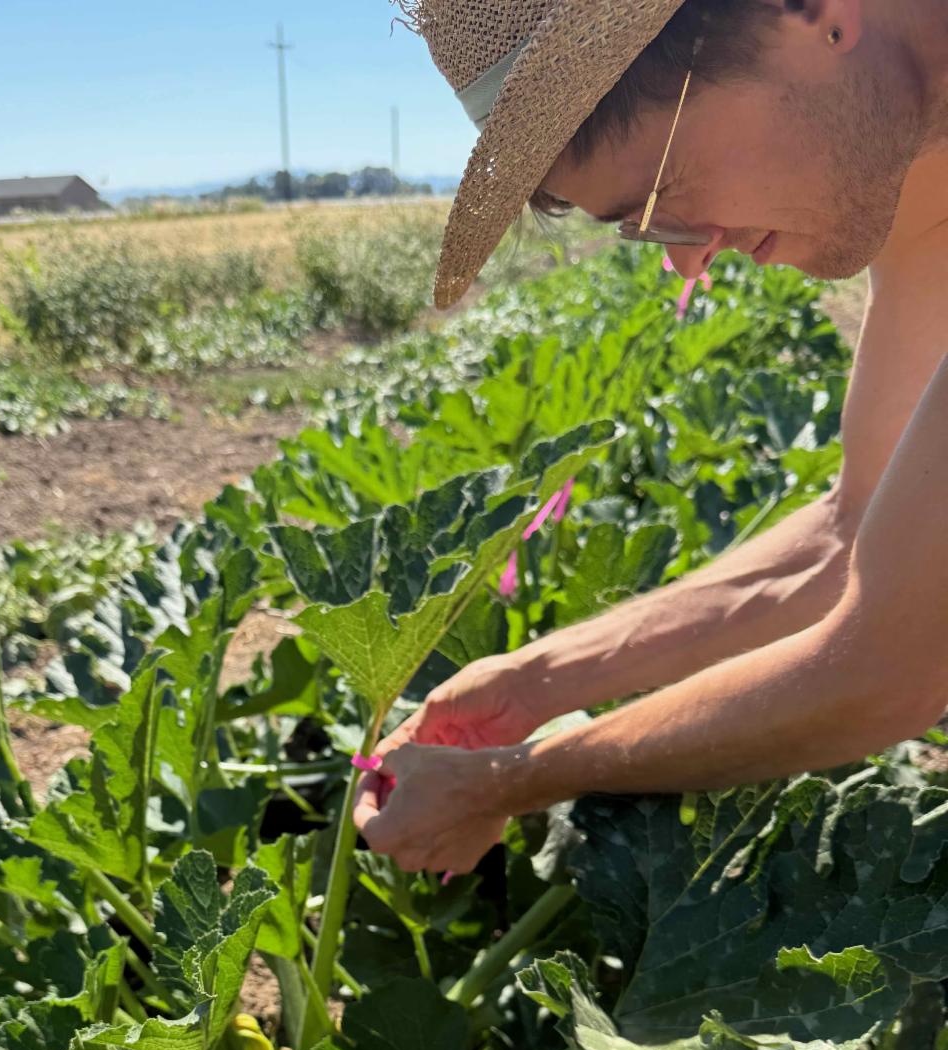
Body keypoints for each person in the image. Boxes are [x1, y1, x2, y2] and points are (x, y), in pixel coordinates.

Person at [356, 0, 948, 876]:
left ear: (816, 10)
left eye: (665, 196)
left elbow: (890, 667)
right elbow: (855, 530)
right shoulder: (925, 180)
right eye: (642, 232)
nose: (687, 261)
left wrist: (509, 781)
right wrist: (534, 684)